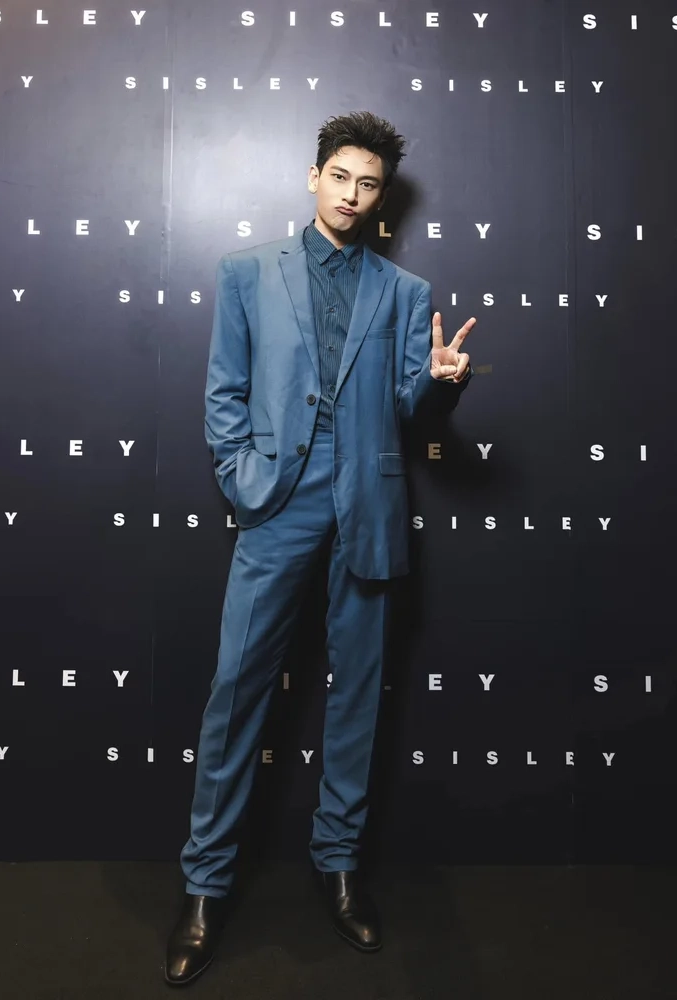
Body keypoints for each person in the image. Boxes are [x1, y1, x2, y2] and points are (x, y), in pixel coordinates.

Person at [165, 110, 475, 987]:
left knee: (359, 698)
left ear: (381, 198)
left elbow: (410, 408)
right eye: (339, 176)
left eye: (367, 184)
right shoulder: (246, 272)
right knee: (236, 694)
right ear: (314, 177)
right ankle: (204, 885)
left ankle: (339, 869)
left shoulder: (405, 292)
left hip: (367, 507)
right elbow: (224, 393)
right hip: (278, 505)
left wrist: (441, 385)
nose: (350, 194)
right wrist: (244, 479)